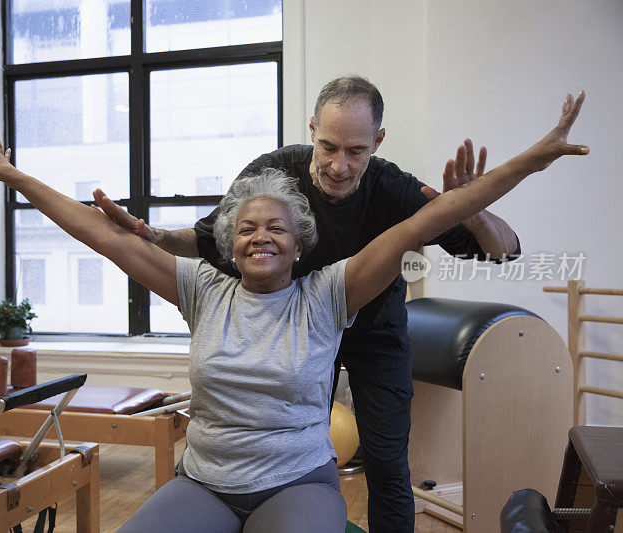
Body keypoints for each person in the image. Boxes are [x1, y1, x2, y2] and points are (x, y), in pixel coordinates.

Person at [0, 91, 586, 533]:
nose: (261, 237)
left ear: (300, 242)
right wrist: (16, 177)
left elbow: (433, 221)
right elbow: (101, 235)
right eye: (248, 229)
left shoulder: (328, 293)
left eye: (277, 229)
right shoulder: (203, 288)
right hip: (205, 481)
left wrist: (532, 158)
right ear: (229, 243)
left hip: (299, 475)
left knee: (388, 461)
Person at [95, 76, 522, 531]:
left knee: (387, 463)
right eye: (328, 146)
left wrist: (471, 207)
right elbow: (208, 238)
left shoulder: (395, 189)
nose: (339, 165)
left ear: (377, 142)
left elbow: (506, 250)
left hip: (374, 331)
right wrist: (153, 237)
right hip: (299, 328)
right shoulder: (274, 173)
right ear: (312, 128)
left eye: (355, 151)